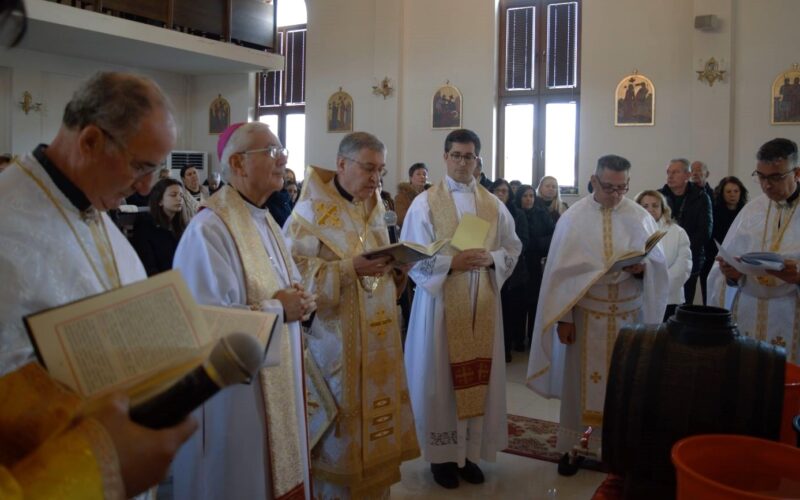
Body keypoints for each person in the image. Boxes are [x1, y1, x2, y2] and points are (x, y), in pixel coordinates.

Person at [0, 71, 196, 498]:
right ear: (89, 141)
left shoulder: (92, 208)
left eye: (156, 170)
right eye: (141, 167)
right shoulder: (8, 223)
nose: (147, 187)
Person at [171, 122, 315, 499]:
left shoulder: (264, 218)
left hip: (279, 375)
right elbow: (206, 324)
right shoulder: (210, 229)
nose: (283, 158)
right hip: (236, 397)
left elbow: (287, 286)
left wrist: (301, 301)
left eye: (282, 148)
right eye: (271, 150)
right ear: (237, 163)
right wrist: (279, 309)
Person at [286, 132, 419, 498]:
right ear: (342, 164)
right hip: (336, 346)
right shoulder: (310, 212)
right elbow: (291, 272)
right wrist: (347, 270)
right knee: (341, 440)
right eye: (369, 168)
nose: (376, 178)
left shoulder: (372, 205)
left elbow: (378, 259)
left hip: (379, 340)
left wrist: (397, 270)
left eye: (381, 170)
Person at [402, 129, 522, 490]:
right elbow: (410, 254)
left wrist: (493, 258)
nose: (462, 162)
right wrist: (450, 266)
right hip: (439, 305)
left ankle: (469, 454)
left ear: (478, 161)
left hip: (481, 300)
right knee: (439, 378)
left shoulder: (493, 204)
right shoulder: (425, 203)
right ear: (444, 157)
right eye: (455, 155)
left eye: (469, 157)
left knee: (478, 378)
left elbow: (513, 248)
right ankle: (441, 458)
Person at [527, 155, 667, 458]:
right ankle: (574, 448)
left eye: (622, 187)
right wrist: (564, 318)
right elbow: (559, 275)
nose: (615, 195)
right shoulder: (573, 218)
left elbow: (658, 263)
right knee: (580, 387)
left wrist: (645, 270)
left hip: (631, 317)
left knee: (627, 385)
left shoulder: (640, 215)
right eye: (608, 187)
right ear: (594, 180)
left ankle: (619, 449)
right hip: (587, 316)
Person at [709, 138, 800, 363]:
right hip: (749, 312)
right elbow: (724, 271)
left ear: (796, 172)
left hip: (791, 311)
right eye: (761, 176)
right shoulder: (752, 210)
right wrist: (731, 275)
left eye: (776, 177)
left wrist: (797, 277)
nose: (767, 185)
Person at [659, 158, 712, 304]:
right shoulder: (659, 197)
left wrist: (682, 249)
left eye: (675, 172)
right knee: (661, 303)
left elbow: (705, 232)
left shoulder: (701, 197)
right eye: (668, 172)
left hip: (691, 259)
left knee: (683, 305)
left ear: (688, 175)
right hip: (663, 259)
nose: (670, 176)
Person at [636, 190, 692, 320]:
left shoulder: (678, 232)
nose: (650, 209)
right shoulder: (632, 232)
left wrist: (659, 287)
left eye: (655, 205)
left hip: (670, 297)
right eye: (645, 206)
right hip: (639, 296)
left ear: (663, 208)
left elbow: (683, 266)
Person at [492, 178, 528, 360]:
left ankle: (505, 350)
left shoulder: (517, 213)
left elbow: (521, 241)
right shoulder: (486, 211)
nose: (501, 194)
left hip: (512, 271)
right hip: (491, 268)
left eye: (505, 191)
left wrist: (499, 254)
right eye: (497, 190)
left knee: (508, 313)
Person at [516, 184, 556, 346]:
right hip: (519, 264)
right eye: (525, 196)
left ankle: (533, 338)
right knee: (518, 303)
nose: (529, 199)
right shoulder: (513, 213)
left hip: (536, 263)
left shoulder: (542, 214)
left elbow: (553, 235)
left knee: (534, 303)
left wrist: (536, 244)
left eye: (531, 196)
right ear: (519, 198)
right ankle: (517, 339)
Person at [131, 177, 185, 276]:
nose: (179, 199)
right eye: (173, 195)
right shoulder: (145, 225)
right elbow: (148, 265)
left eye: (181, 195)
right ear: (160, 200)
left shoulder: (182, 226)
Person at [395, 162, 429, 226]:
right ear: (411, 178)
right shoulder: (401, 197)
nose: (422, 177)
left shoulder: (431, 195)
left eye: (424, 174)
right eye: (418, 174)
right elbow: (400, 219)